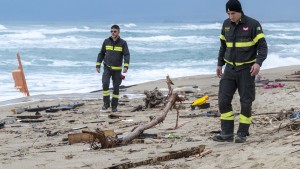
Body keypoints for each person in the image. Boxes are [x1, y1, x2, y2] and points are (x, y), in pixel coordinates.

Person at [213, 0, 268, 143]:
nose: (231, 16)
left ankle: (242, 133)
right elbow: (223, 47)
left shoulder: (253, 25)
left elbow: (263, 47)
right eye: (228, 13)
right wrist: (220, 64)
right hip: (229, 69)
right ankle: (226, 133)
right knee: (223, 100)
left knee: (246, 102)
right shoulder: (226, 25)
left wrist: (258, 63)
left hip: (246, 70)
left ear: (240, 12)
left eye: (233, 13)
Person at [96, 25, 130, 112]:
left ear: (118, 32)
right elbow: (101, 53)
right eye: (111, 31)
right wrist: (98, 64)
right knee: (105, 84)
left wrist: (126, 66)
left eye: (114, 31)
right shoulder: (106, 41)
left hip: (117, 70)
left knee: (116, 88)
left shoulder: (123, 43)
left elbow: (126, 55)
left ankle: (114, 106)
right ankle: (106, 104)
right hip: (107, 68)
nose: (113, 33)